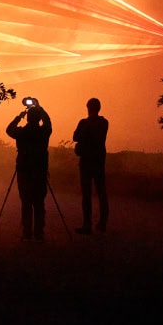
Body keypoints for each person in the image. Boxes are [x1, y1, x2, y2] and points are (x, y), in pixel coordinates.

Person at [6, 100, 52, 241]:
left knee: (26, 202)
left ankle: (27, 233)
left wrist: (19, 116)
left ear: (27, 117)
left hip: (24, 171)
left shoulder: (21, 132)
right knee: (39, 203)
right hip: (40, 172)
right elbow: (48, 122)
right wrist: (40, 107)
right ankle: (39, 233)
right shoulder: (44, 132)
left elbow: (9, 129)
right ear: (38, 118)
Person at [73, 97, 109, 234]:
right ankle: (102, 223)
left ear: (88, 107)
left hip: (86, 161)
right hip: (99, 160)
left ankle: (87, 224)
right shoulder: (104, 122)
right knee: (101, 192)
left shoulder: (83, 123)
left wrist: (84, 136)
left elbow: (75, 137)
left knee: (86, 194)